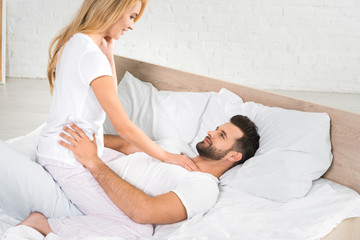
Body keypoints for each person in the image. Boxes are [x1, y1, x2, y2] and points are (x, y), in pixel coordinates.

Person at [35, 0, 197, 239]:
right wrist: (166, 156)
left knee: (132, 157)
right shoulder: (91, 57)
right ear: (113, 9)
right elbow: (123, 126)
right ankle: (43, 226)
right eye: (131, 16)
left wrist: (108, 54)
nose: (132, 26)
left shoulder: (77, 42)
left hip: (61, 147)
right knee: (138, 229)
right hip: (67, 158)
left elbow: (107, 91)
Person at [19, 115, 260, 240]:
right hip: (86, 165)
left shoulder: (204, 187)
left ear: (233, 156)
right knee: (139, 233)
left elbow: (144, 212)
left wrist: (93, 160)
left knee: (141, 231)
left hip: (96, 176)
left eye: (221, 135)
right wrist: (84, 142)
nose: (210, 132)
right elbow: (125, 145)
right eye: (216, 128)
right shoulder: (175, 148)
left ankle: (45, 226)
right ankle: (44, 225)